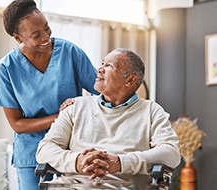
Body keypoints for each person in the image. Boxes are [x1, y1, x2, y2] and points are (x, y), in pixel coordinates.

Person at [0, 0, 99, 189]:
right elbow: (17, 124)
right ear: (18, 37)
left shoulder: (70, 52)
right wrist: (61, 117)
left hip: (71, 150)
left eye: (47, 28)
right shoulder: (6, 69)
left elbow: (103, 92)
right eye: (36, 35)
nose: (46, 36)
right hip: (31, 153)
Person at [36, 48, 181, 188]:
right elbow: (44, 149)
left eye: (109, 65)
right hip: (75, 186)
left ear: (130, 80)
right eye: (102, 63)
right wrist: (77, 161)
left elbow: (171, 152)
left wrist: (121, 162)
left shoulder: (151, 111)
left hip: (127, 187)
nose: (100, 69)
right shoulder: (76, 107)